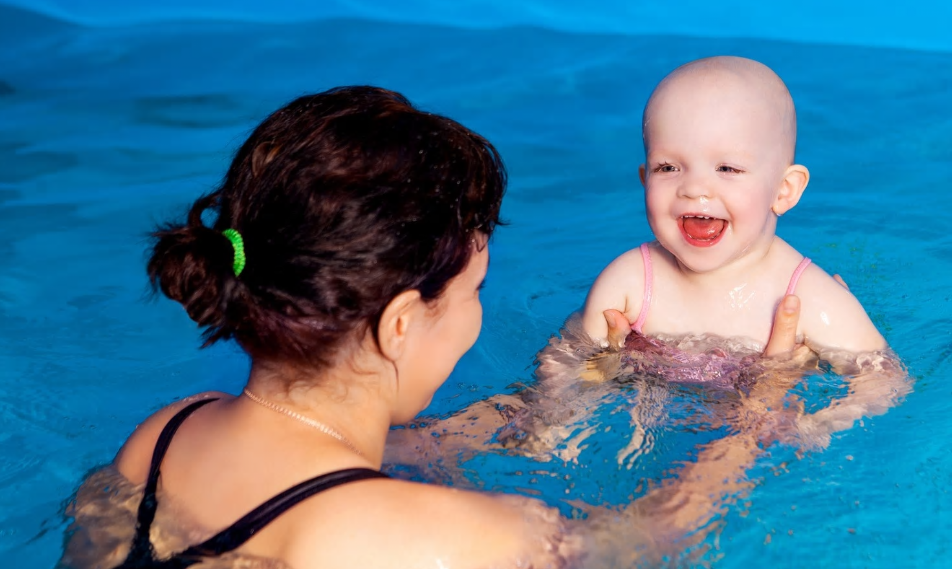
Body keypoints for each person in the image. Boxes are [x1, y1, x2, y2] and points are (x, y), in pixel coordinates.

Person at [58, 85, 810, 569]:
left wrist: (550, 398)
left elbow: (329, 464)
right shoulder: (461, 538)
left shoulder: (162, 438)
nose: (477, 314)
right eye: (474, 290)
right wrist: (751, 419)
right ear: (399, 323)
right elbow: (646, 544)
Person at [582, 56, 885, 354]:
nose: (694, 188)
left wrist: (783, 396)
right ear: (645, 179)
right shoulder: (630, 282)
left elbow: (882, 385)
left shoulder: (809, 300)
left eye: (727, 169)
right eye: (667, 168)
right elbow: (560, 376)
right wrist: (607, 365)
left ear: (783, 191)